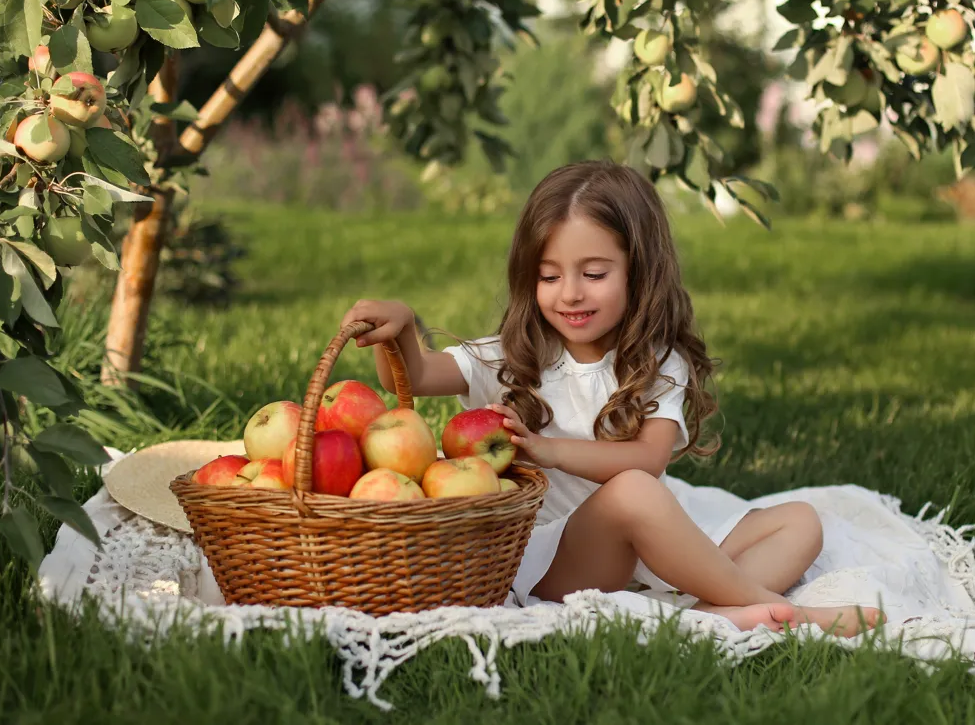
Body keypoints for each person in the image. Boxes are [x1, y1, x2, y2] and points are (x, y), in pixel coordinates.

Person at [338, 159, 883, 636]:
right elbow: (411, 377)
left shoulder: (657, 362)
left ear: (638, 273)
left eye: (593, 273)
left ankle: (706, 611)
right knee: (632, 496)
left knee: (801, 521)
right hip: (558, 556)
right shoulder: (515, 354)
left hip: (646, 536)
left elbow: (649, 458)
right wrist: (403, 327)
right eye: (549, 276)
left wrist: (550, 451)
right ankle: (766, 606)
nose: (570, 292)